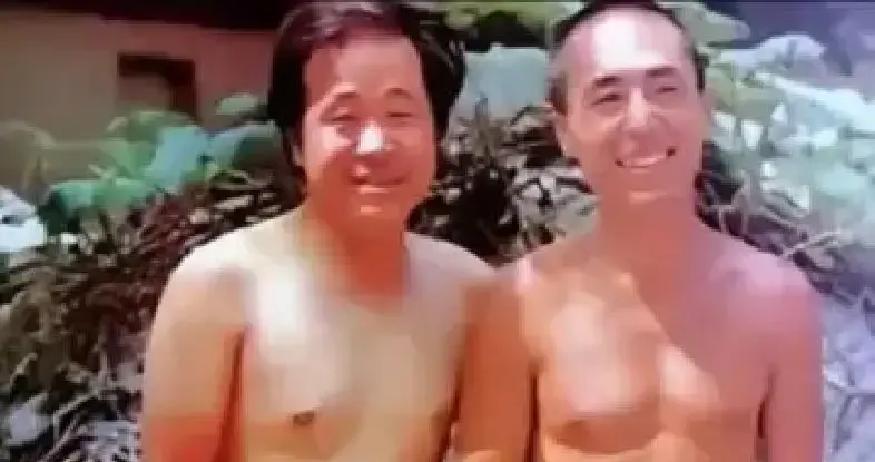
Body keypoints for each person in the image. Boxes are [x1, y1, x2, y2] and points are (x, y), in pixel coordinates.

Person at [455, 1, 823, 461]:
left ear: (705, 109)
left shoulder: (780, 300)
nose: (641, 120)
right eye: (608, 98)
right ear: (564, 130)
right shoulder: (519, 302)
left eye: (665, 89)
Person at [141, 2, 490, 461]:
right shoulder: (219, 287)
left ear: (436, 133)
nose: (374, 144)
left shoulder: (470, 291)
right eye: (344, 119)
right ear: (296, 143)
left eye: (399, 114)